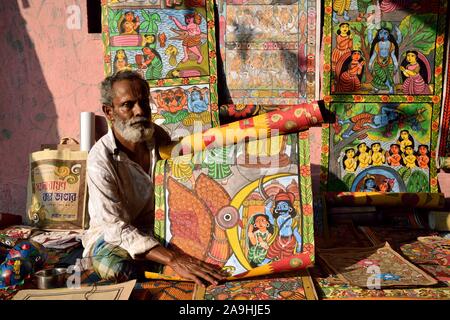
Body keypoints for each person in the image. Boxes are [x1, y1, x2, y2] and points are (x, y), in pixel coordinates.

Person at [81, 70, 226, 286]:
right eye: (128, 105)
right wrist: (174, 259)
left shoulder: (157, 137)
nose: (139, 111)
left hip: (157, 230)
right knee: (116, 269)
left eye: (143, 103)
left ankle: (161, 265)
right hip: (114, 238)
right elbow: (116, 229)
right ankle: (160, 266)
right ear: (109, 112)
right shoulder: (100, 160)